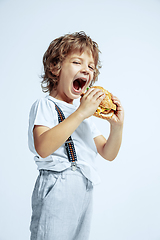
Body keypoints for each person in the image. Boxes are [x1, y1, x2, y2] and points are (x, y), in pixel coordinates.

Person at [28, 31, 124, 240]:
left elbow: (107, 153)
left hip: (85, 189)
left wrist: (117, 127)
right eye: (77, 62)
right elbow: (43, 148)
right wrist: (81, 113)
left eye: (90, 66)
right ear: (56, 68)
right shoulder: (46, 105)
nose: (86, 69)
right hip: (57, 185)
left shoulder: (85, 116)